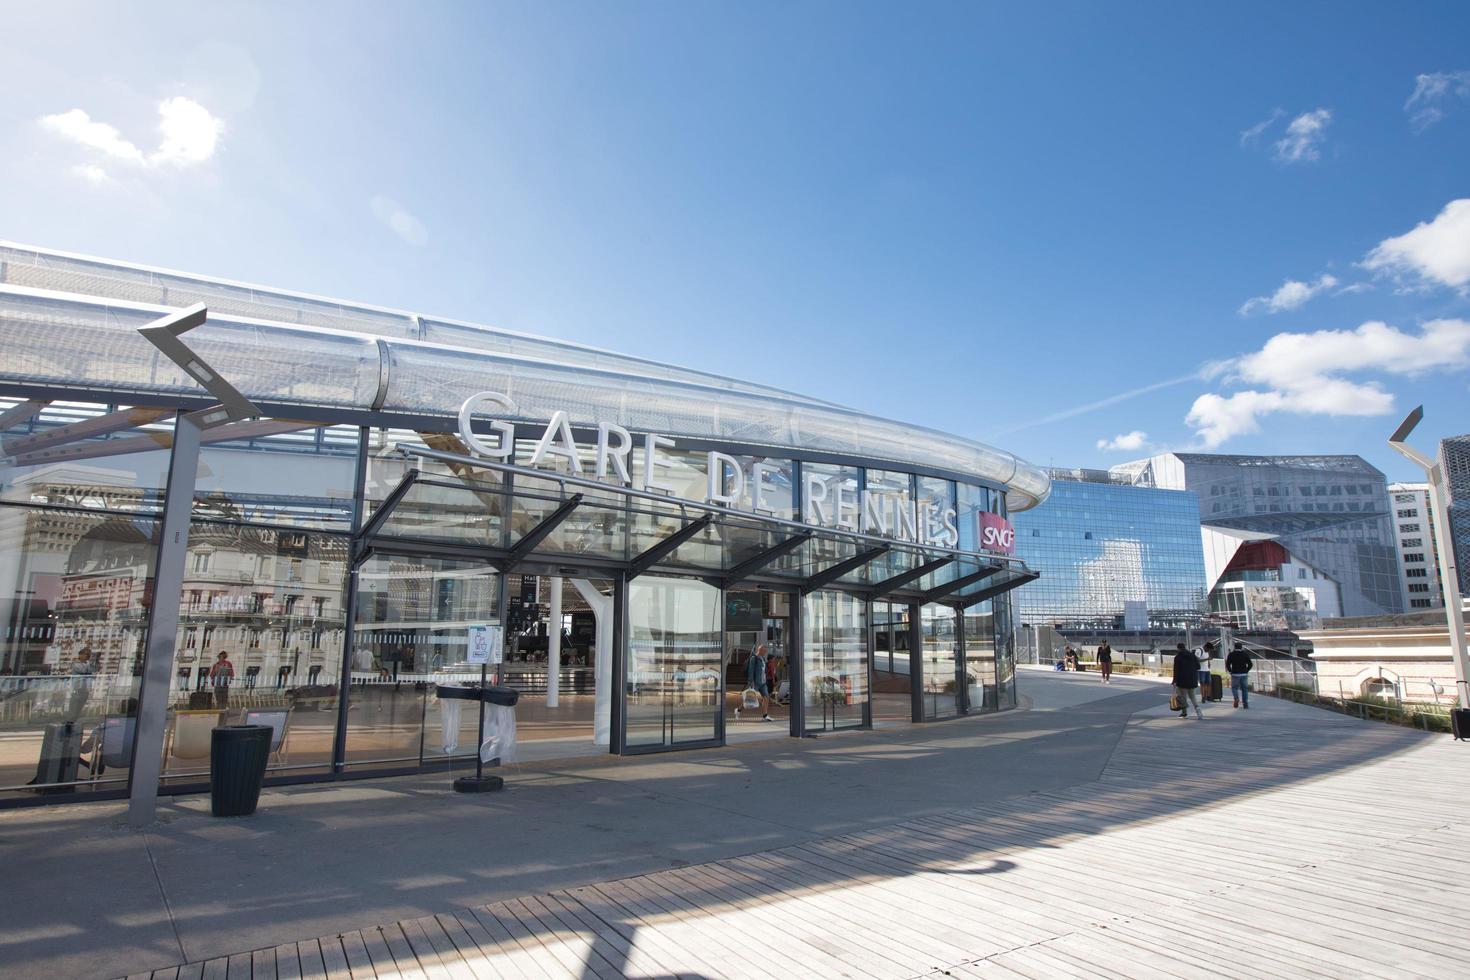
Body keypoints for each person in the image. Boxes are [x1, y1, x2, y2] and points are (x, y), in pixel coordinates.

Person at [736, 644, 774, 722]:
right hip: (755, 682)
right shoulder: (754, 658)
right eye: (764, 651)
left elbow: (764, 670)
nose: (765, 652)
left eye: (766, 651)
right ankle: (738, 710)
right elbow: (751, 670)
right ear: (759, 650)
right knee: (750, 699)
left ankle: (765, 715)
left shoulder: (763, 658)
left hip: (763, 682)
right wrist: (751, 682)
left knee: (766, 698)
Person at [1171, 643, 1203, 720]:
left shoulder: (1178, 657)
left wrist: (1174, 681)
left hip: (1182, 681)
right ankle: (1198, 710)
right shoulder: (1192, 655)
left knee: (1183, 698)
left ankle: (1184, 713)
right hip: (1192, 680)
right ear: (1184, 647)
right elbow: (1198, 666)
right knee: (1193, 697)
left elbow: (1176, 670)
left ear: (1178, 648)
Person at [1226, 643, 1253, 709]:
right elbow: (1250, 664)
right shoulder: (1245, 654)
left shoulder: (1231, 654)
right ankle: (1245, 703)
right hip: (1244, 674)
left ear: (1234, 647)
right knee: (1244, 689)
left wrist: (1230, 671)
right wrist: (1246, 670)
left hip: (1235, 674)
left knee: (1234, 688)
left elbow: (1228, 664)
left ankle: (1236, 698)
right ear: (1241, 647)